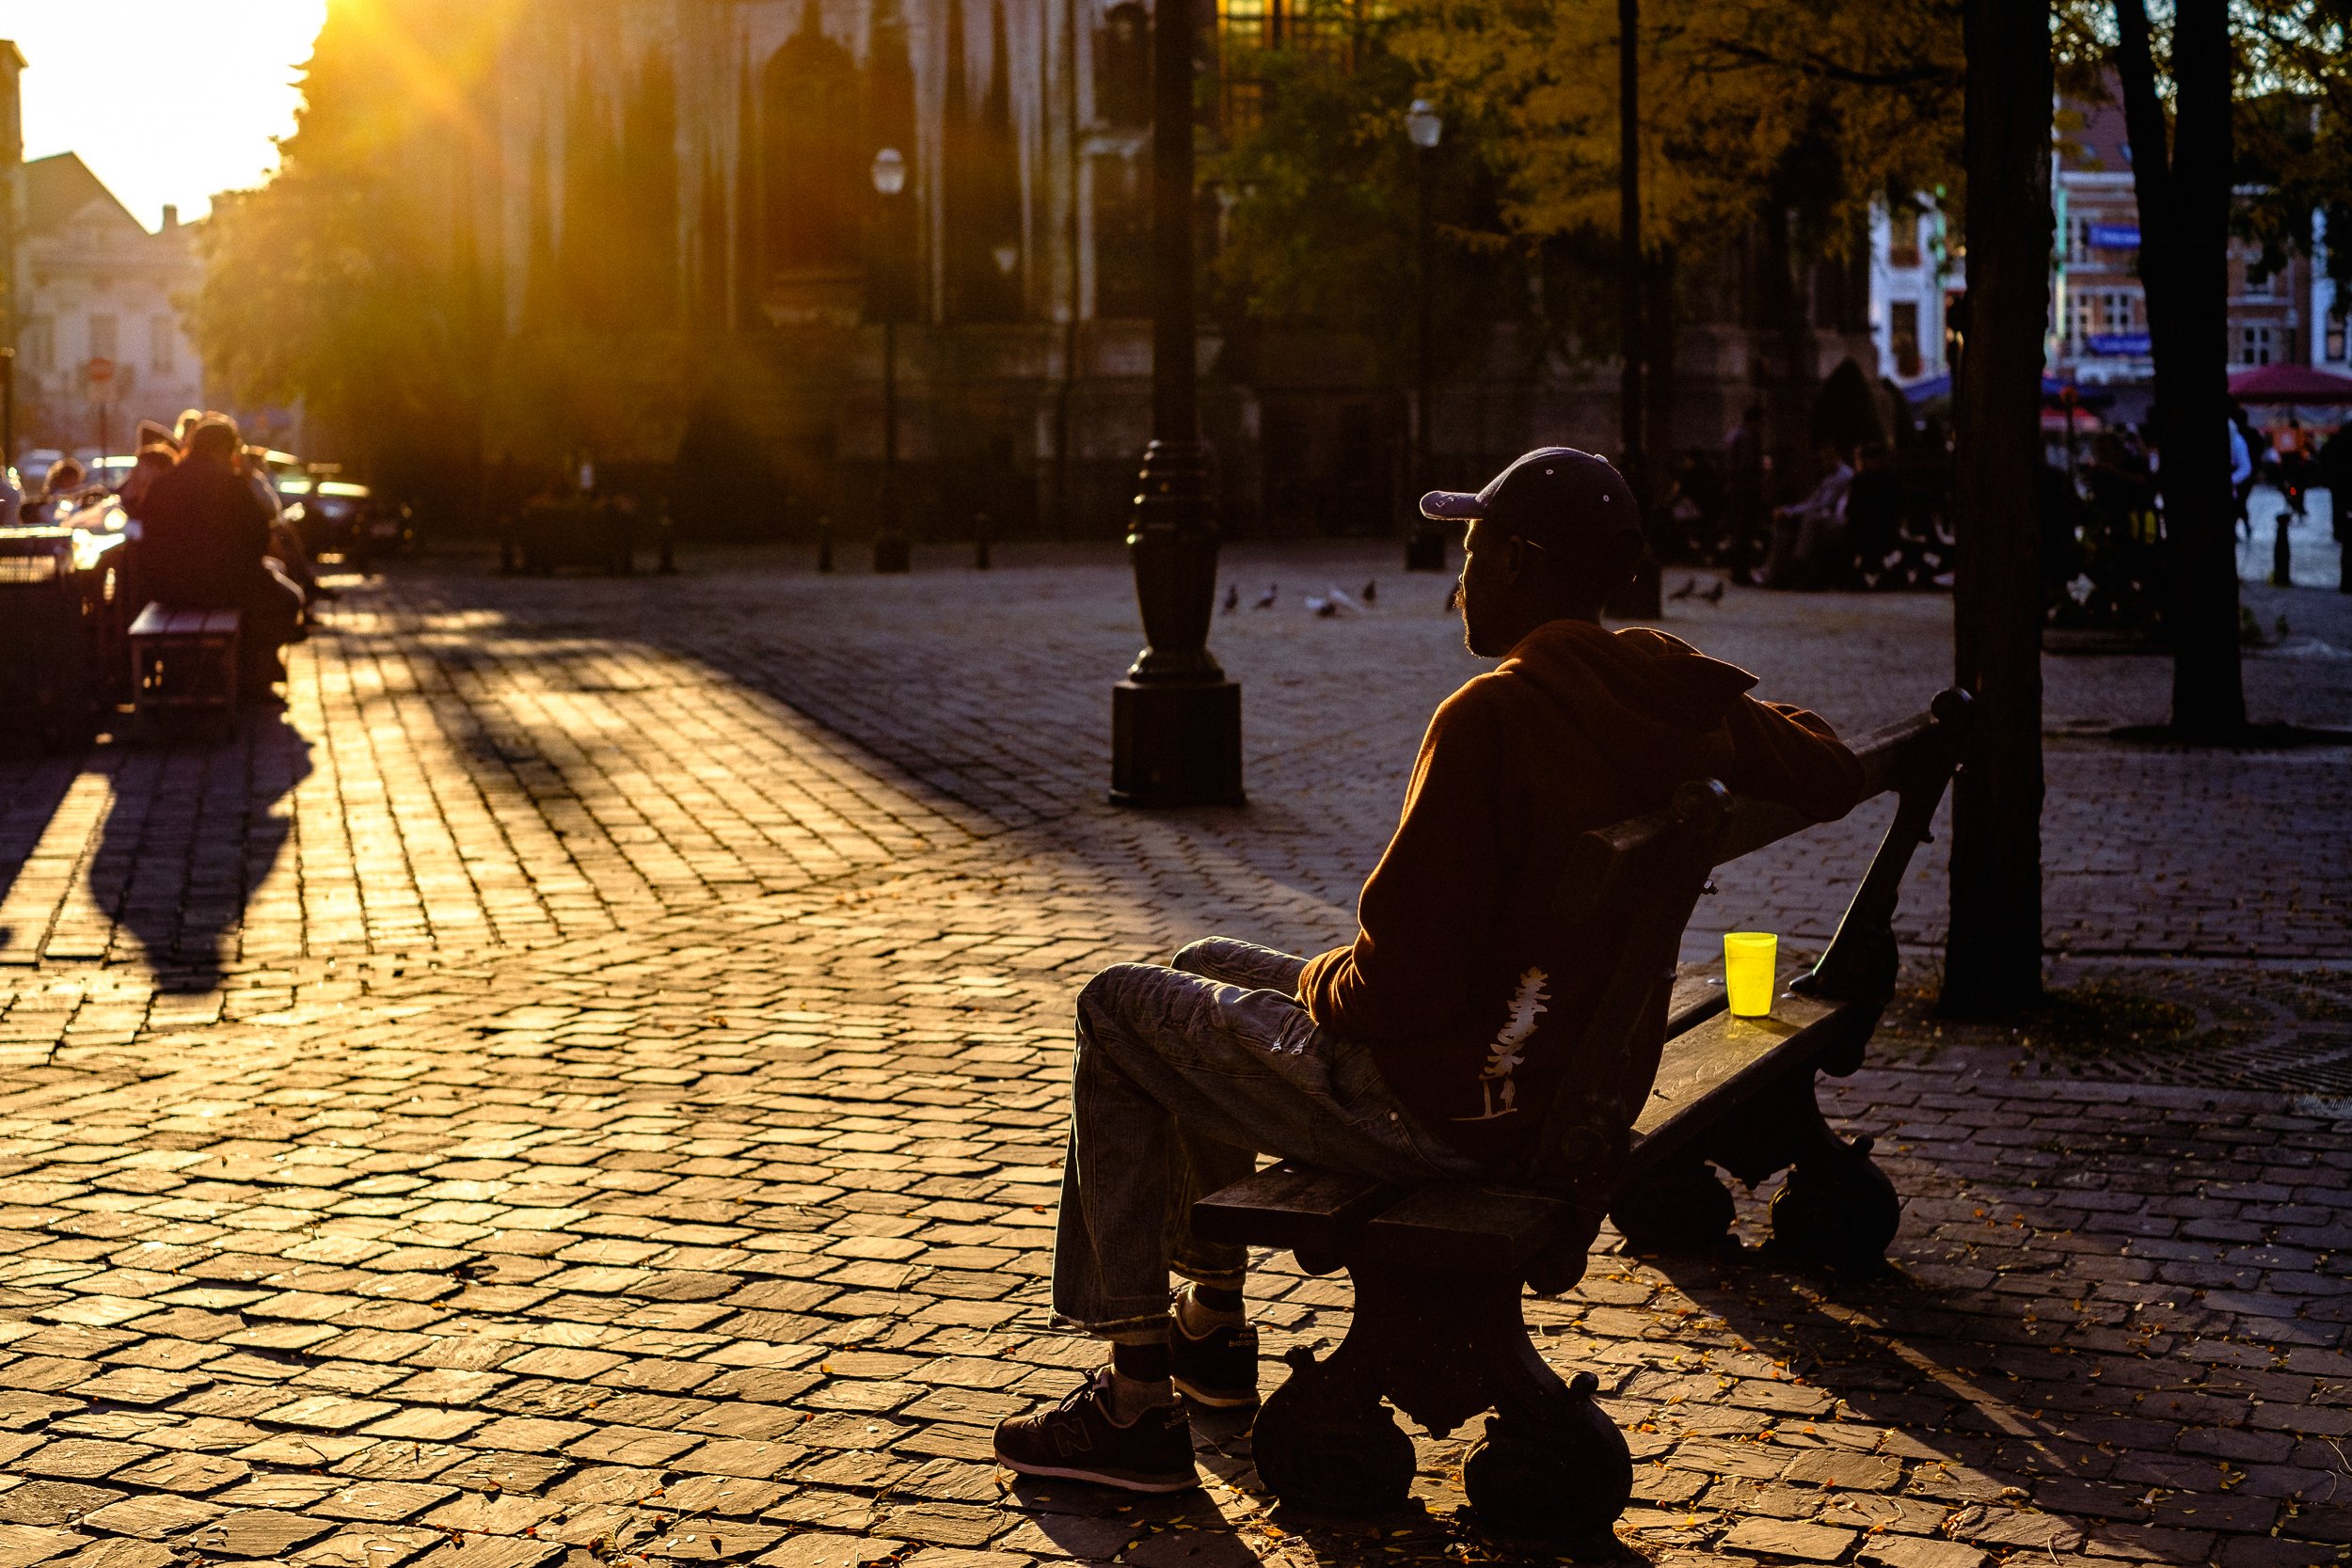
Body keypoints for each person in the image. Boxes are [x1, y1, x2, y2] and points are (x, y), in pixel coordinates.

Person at [991, 448, 1866, 1493]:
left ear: (1523, 564)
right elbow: (1832, 767)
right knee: (1198, 962)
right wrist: (1684, 680)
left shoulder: (1492, 718)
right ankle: (1211, 1327)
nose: (1459, 577)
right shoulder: (1670, 700)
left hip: (1448, 1103)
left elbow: (1395, 995)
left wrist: (1317, 984)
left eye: (1473, 549)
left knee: (1116, 1006)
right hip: (1556, 1077)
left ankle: (1135, 1399)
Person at [136, 416, 305, 691]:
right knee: (290, 600)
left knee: (272, 580)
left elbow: (147, 538)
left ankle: (216, 669)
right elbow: (259, 537)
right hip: (223, 585)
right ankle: (252, 675)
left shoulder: (164, 485)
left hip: (168, 589)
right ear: (225, 449)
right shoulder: (232, 484)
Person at [1761, 442, 1855, 588]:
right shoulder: (1830, 476)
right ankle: (1774, 572)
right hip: (1826, 516)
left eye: (1826, 458)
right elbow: (1813, 500)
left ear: (1836, 456)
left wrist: (1791, 511)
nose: (1823, 463)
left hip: (1836, 520)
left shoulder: (1841, 476)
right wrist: (1790, 510)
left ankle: (1798, 563)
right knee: (1786, 523)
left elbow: (1823, 504)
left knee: (1808, 521)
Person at [1721, 404, 1769, 584]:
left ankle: (1737, 570)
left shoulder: (1734, 435)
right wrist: (1762, 468)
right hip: (1746, 490)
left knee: (1738, 532)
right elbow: (1747, 465)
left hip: (1735, 489)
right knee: (1744, 532)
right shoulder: (1749, 437)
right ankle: (1741, 572)